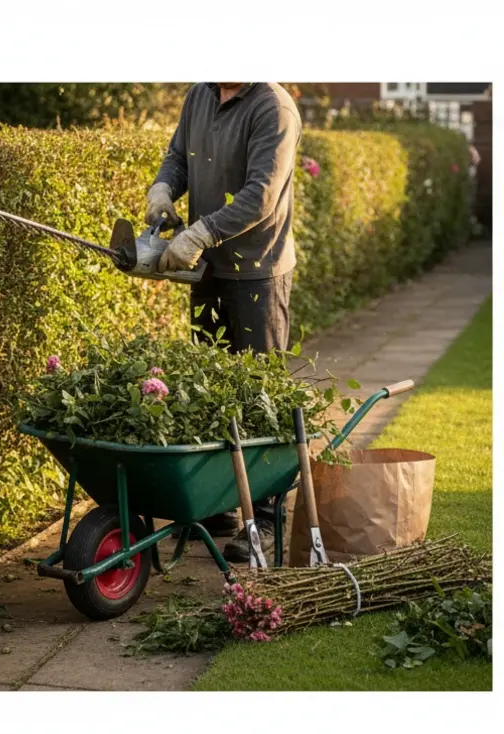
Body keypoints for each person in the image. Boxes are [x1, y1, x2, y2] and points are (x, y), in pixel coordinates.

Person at [146, 82, 302, 562]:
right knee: (211, 390)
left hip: (257, 270)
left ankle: (269, 519)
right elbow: (178, 156)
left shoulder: (273, 107)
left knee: (261, 395)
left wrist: (201, 231)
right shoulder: (199, 96)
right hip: (207, 268)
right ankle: (219, 510)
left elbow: (260, 195)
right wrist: (163, 188)